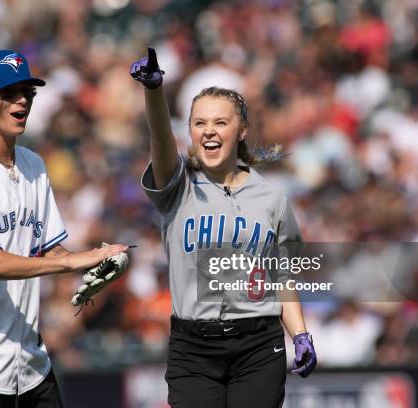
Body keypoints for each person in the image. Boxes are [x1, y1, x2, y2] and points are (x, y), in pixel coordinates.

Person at [0, 49, 128, 408]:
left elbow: (49, 250)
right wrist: (69, 264)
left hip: (29, 360)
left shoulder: (34, 164)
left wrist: (97, 261)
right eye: (9, 92)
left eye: (27, 92)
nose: (22, 101)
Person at [130, 48, 317, 407]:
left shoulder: (272, 198)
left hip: (259, 345)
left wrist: (301, 334)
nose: (209, 131)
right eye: (199, 123)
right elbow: (159, 139)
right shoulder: (176, 185)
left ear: (242, 130)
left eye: (220, 122)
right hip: (193, 347)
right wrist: (154, 91)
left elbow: (282, 277)